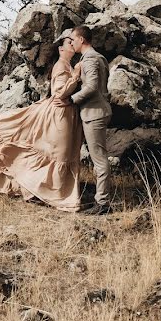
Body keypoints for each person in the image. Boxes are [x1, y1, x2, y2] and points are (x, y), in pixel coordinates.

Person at [0, 33, 84, 212]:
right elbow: (60, 92)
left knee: (56, 152)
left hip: (65, 113)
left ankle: (45, 192)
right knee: (56, 153)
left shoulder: (67, 65)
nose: (73, 44)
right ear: (61, 48)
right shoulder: (61, 65)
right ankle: (47, 193)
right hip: (58, 114)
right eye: (69, 42)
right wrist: (76, 75)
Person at [53, 24, 113, 215]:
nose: (71, 42)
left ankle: (102, 203)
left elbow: (93, 87)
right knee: (99, 157)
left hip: (94, 113)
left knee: (99, 159)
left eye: (73, 39)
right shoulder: (97, 58)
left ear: (81, 40)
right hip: (95, 111)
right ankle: (99, 199)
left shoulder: (91, 59)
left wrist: (72, 99)